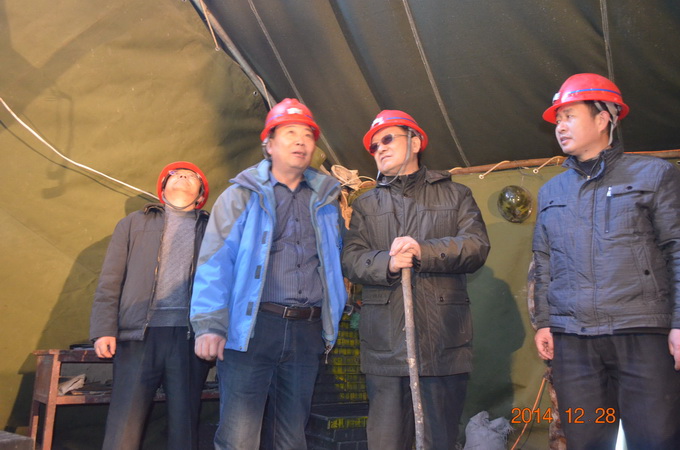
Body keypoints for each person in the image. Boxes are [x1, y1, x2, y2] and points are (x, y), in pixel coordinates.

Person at [532, 73, 680, 449]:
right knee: (586, 439)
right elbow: (544, 262)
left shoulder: (655, 175)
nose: (560, 126)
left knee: (655, 439)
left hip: (642, 334)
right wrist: (545, 322)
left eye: (569, 116)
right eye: (558, 119)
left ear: (603, 119)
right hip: (574, 344)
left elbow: (677, 249)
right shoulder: (551, 191)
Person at [190, 98, 347, 450]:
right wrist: (210, 324)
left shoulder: (326, 201)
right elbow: (215, 261)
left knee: (292, 439)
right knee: (239, 438)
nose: (301, 140)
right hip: (253, 329)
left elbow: (336, 261)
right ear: (269, 144)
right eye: (290, 132)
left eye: (308, 134)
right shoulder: (239, 196)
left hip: (307, 332)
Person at [341, 110, 490, 449]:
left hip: (443, 345)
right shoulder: (365, 205)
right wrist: (388, 263)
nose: (380, 148)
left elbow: (476, 246)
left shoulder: (457, 195)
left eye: (387, 138)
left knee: (439, 440)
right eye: (374, 146)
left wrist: (424, 250)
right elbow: (350, 259)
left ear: (416, 141)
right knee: (386, 442)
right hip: (385, 348)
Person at [89, 161, 212, 450]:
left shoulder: (213, 230)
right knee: (124, 425)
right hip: (138, 335)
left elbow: (223, 284)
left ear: (201, 194)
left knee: (185, 426)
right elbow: (110, 279)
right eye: (175, 175)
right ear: (162, 189)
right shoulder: (133, 223)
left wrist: (216, 331)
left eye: (191, 176)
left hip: (189, 338)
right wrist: (103, 329)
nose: (182, 177)